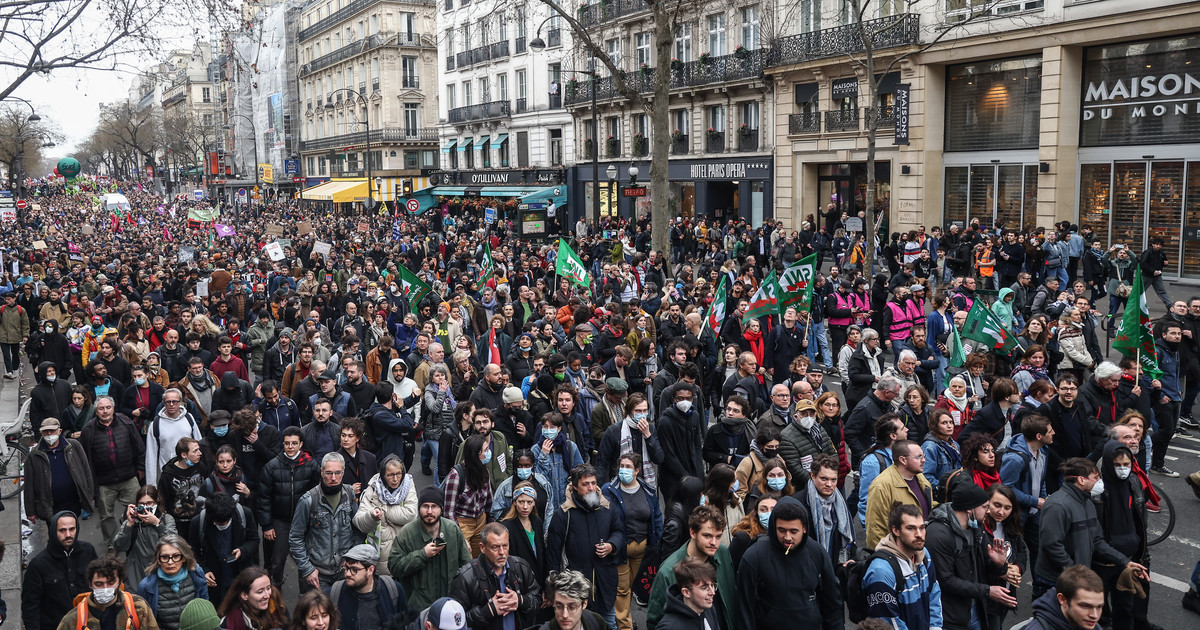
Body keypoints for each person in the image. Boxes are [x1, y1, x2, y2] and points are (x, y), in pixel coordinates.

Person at [1034, 458, 1147, 600]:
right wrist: (1078, 574)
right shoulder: (1058, 506)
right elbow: (1052, 546)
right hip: (1054, 581)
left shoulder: (1087, 503)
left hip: (1076, 579)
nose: (1100, 481)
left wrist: (1124, 561)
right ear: (1081, 480)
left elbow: (1097, 541)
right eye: (1096, 477)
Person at [735, 495, 843, 630]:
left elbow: (832, 603)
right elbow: (744, 608)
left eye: (793, 531)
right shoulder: (754, 556)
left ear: (804, 528)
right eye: (781, 530)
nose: (787, 537)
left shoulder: (816, 552)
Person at [926, 482, 1015, 630]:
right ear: (969, 509)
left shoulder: (975, 526)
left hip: (975, 609)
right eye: (985, 507)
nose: (988, 511)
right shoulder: (937, 535)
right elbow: (945, 580)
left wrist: (1000, 564)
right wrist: (987, 591)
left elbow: (985, 564)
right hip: (950, 617)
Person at [546, 464, 625, 628]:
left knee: (609, 624)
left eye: (593, 483)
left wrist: (612, 545)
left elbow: (619, 531)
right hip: (576, 590)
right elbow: (552, 555)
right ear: (575, 486)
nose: (591, 488)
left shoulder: (607, 508)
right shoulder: (563, 515)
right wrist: (551, 589)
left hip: (605, 586)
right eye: (585, 484)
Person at [646, 504, 736, 630]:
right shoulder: (667, 572)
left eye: (718, 536)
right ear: (693, 532)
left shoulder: (722, 553)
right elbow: (655, 620)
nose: (714, 543)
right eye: (707, 536)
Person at [602, 453, 663, 630]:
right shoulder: (609, 490)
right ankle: (625, 626)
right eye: (622, 466)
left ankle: (625, 617)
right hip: (619, 549)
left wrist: (656, 543)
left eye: (628, 467)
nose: (624, 470)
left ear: (637, 470)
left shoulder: (648, 491)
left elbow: (656, 517)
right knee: (621, 589)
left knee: (633, 586)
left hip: (643, 550)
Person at [388, 487, 473, 610]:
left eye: (434, 506)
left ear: (441, 509)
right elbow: (394, 567)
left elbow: (466, 566)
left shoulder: (452, 530)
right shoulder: (407, 533)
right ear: (419, 508)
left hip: (450, 604)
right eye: (425, 506)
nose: (429, 511)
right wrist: (422, 555)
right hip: (418, 609)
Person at [257, 426, 319, 589]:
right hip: (280, 520)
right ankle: (275, 586)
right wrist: (267, 525)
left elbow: (317, 494)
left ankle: (305, 593)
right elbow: (264, 498)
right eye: (287, 443)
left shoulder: (311, 465)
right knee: (277, 560)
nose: (290, 447)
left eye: (294, 443)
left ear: (301, 444)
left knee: (304, 559)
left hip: (304, 521)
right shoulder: (272, 467)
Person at [863, 503, 943, 630]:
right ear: (896, 530)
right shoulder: (881, 571)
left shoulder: (924, 555)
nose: (919, 534)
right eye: (911, 528)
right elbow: (888, 624)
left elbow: (934, 594)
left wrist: (935, 627)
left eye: (922, 528)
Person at [450, 522, 542, 630]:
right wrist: (487, 611)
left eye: (505, 546)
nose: (502, 552)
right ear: (482, 548)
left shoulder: (521, 567)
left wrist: (521, 600)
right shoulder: (466, 577)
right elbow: (455, 620)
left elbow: (537, 601)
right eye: (495, 547)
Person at [289, 451, 359, 592]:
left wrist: (353, 560)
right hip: (317, 574)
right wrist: (308, 569)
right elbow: (295, 538)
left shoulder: (350, 494)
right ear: (321, 472)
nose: (333, 478)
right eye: (328, 473)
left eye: (337, 473)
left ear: (343, 472)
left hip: (344, 572)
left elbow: (358, 529)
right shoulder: (308, 501)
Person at [22, 511, 100, 630]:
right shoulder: (38, 565)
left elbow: (100, 584)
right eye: (62, 530)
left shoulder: (88, 551)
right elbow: (30, 606)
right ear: (54, 531)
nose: (68, 534)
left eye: (72, 529)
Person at [1000, 414, 1053, 575]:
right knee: (1012, 554)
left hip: (1034, 513)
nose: (1054, 433)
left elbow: (1040, 478)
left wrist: (1041, 499)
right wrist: (1034, 501)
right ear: (1039, 436)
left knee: (1040, 552)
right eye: (1050, 431)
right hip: (1017, 515)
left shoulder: (1043, 451)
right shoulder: (1016, 459)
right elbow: (1006, 489)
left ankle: (1039, 588)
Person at [189, 491, 260, 606]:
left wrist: (242, 551)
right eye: (219, 522)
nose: (223, 524)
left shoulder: (244, 514)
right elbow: (193, 552)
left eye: (226, 521)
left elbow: (254, 540)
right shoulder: (198, 523)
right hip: (216, 582)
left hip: (240, 576)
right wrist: (205, 571)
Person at [54, 553, 159, 630]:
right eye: (99, 584)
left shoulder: (138, 608)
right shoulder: (74, 619)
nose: (105, 588)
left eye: (110, 583)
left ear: (120, 582)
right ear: (90, 584)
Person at [353, 454, 418, 575]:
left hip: (406, 551)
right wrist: (371, 516)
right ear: (383, 475)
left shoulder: (408, 485)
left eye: (398, 474)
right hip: (381, 556)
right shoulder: (373, 489)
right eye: (390, 475)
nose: (395, 479)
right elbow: (359, 521)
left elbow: (411, 514)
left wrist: (384, 509)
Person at [864, 440, 932, 549]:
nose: (923, 460)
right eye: (919, 457)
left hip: (919, 550)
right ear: (903, 460)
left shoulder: (921, 478)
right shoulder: (881, 486)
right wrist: (884, 557)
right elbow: (876, 528)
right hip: (897, 554)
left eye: (923, 456)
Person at [25, 417, 94, 523]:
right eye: (45, 432)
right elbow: (29, 485)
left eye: (52, 431)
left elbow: (86, 471)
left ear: (59, 431)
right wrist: (30, 511)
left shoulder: (73, 446)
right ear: (41, 433)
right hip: (50, 505)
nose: (49, 434)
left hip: (73, 502)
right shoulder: (34, 455)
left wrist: (89, 496)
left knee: (72, 532)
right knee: (54, 535)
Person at [329, 545, 410, 630]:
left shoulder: (392, 590)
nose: (348, 574)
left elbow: (406, 624)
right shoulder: (336, 593)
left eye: (354, 570)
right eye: (346, 568)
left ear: (370, 570)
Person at [138, 535, 209, 630]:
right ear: (158, 560)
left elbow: (205, 609)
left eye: (176, 556)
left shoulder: (196, 574)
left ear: (184, 558)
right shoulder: (146, 586)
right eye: (164, 557)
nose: (170, 562)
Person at [982, 484, 1029, 630]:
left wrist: (1017, 568)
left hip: (1006, 593)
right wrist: (1004, 572)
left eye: (1007, 508)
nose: (1001, 512)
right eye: (997, 505)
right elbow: (978, 562)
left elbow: (1021, 551)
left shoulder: (1010, 526)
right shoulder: (979, 528)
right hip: (987, 596)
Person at [112, 486, 178, 588]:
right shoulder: (130, 523)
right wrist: (129, 524)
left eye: (149, 503)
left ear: (156, 502)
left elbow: (174, 545)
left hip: (162, 573)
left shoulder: (166, 520)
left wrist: (157, 524)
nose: (146, 507)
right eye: (142, 504)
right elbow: (119, 546)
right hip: (136, 575)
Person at [795, 454, 856, 566]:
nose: (829, 484)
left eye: (833, 480)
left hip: (834, 565)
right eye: (824, 479)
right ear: (813, 476)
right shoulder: (799, 504)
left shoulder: (840, 503)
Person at [596, 393, 665, 489]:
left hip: (645, 483)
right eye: (638, 411)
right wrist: (601, 488)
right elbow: (602, 463)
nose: (642, 414)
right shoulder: (614, 431)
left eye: (644, 411)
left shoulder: (651, 429)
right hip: (619, 483)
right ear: (629, 411)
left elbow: (659, 458)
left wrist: (648, 436)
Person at [446, 433, 495, 556]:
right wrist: (460, 537)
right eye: (485, 450)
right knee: (464, 559)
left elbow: (489, 501)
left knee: (480, 559)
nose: (489, 453)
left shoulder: (484, 471)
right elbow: (449, 512)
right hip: (463, 523)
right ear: (475, 454)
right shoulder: (456, 476)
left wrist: (491, 525)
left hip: (480, 521)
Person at [1020, 565, 1106, 630]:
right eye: (1085, 606)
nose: (1094, 615)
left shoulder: (1091, 625)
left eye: (1099, 607)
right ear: (1063, 599)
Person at [146, 388, 203, 487]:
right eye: (168, 402)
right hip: (168, 474)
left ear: (180, 402)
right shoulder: (156, 424)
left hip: (191, 472)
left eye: (175, 402)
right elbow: (151, 455)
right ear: (164, 403)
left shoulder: (189, 418)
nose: (171, 404)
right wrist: (151, 485)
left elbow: (199, 443)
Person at [655, 558, 722, 630]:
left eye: (712, 585)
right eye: (704, 588)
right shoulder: (669, 627)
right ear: (686, 592)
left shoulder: (708, 608)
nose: (712, 592)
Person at [215, 567, 289, 630]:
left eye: (268, 588)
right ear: (244, 595)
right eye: (260, 592)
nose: (267, 595)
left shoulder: (277, 606)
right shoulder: (231, 622)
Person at [541, 570, 608, 630]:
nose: (565, 615)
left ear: (584, 604)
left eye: (572, 607)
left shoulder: (596, 621)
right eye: (559, 606)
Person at [922, 409, 963, 501]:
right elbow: (926, 476)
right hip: (939, 496)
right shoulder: (930, 447)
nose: (949, 426)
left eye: (951, 422)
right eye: (944, 423)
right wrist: (944, 488)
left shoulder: (955, 445)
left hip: (954, 492)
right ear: (935, 425)